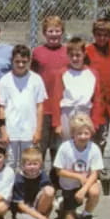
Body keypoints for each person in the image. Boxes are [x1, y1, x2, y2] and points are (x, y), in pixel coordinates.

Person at [31, 15, 69, 183]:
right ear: (44, 33)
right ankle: (38, 181)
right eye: (50, 31)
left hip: (62, 107)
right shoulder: (37, 52)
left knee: (59, 148)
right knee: (40, 147)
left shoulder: (68, 52)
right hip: (42, 108)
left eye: (57, 31)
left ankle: (57, 183)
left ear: (62, 32)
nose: (54, 34)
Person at [0, 45, 47, 169]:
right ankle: (9, 188)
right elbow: (1, 108)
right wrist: (3, 132)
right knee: (10, 164)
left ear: (29, 61)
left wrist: (38, 131)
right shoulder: (5, 81)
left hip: (29, 131)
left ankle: (27, 188)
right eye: (17, 61)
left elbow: (40, 107)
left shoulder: (36, 80)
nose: (20, 65)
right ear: (12, 61)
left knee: (29, 163)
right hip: (11, 131)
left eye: (24, 62)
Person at [53, 113, 103, 219]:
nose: (83, 136)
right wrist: (78, 176)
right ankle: (63, 205)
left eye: (86, 133)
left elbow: (95, 173)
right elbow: (58, 171)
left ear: (91, 133)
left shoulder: (94, 148)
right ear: (73, 134)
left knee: (95, 191)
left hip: (84, 185)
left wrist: (84, 189)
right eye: (79, 133)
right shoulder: (65, 147)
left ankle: (86, 215)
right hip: (69, 185)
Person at [86, 17, 110, 167]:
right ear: (94, 34)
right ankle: (97, 166)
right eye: (99, 34)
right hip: (97, 99)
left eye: (106, 35)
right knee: (100, 135)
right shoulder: (88, 50)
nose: (102, 38)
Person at [56, 37, 103, 141]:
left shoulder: (92, 73)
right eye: (71, 55)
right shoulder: (62, 73)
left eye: (78, 55)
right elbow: (56, 99)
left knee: (84, 143)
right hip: (67, 113)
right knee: (68, 145)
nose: (75, 58)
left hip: (85, 113)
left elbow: (97, 100)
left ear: (84, 54)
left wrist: (95, 122)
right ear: (67, 55)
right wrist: (57, 124)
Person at [12, 147, 55, 219]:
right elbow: (21, 205)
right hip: (23, 210)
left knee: (50, 190)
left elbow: (49, 196)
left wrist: (42, 215)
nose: (32, 167)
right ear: (23, 165)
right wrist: (40, 218)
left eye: (35, 164)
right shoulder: (19, 179)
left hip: (37, 206)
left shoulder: (42, 174)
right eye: (29, 164)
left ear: (40, 164)